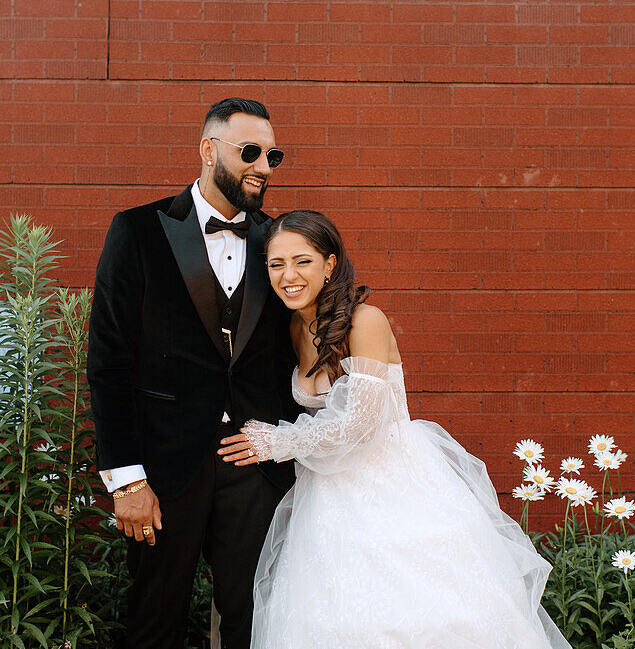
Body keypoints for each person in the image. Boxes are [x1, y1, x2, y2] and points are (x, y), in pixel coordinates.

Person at [218, 210, 572, 649]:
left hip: (391, 492)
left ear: (329, 264)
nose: (288, 275)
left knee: (407, 621)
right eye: (276, 264)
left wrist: (278, 441)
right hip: (325, 501)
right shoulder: (292, 326)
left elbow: (361, 424)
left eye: (302, 261)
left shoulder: (366, 320)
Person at [87, 98, 302, 649]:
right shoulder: (136, 231)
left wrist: (287, 446)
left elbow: (297, 356)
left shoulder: (282, 244)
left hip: (254, 468)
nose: (263, 167)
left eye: (273, 155)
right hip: (161, 468)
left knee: (251, 623)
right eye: (250, 151)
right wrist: (126, 478)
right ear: (208, 151)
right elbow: (108, 362)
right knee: (154, 621)